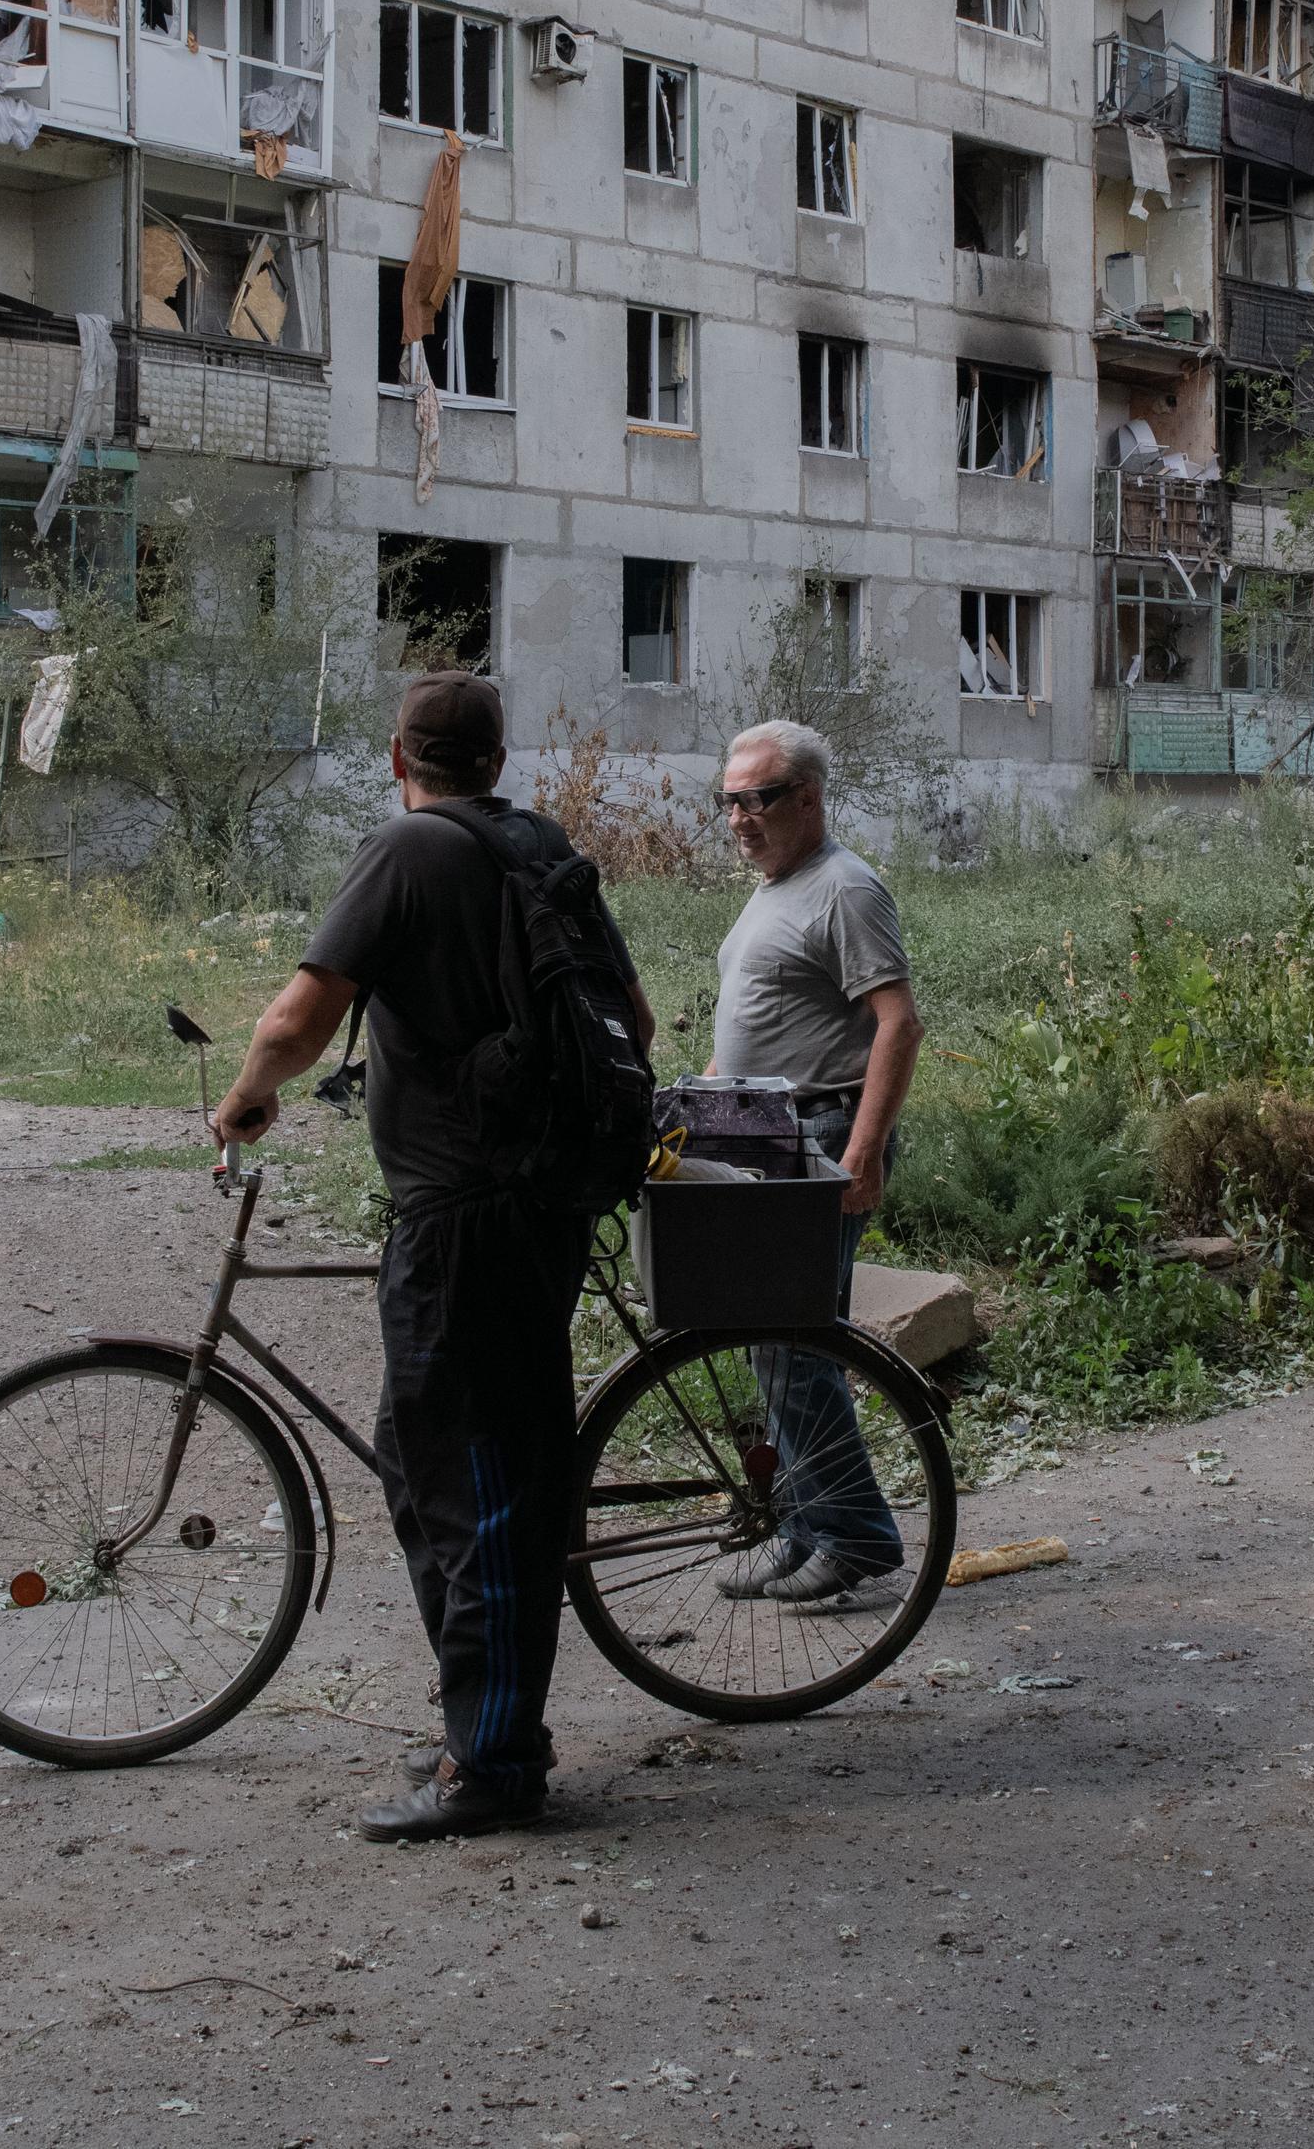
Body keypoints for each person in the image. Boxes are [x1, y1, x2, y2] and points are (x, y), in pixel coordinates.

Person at [206, 672, 653, 1843]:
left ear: (397, 757)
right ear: (497, 760)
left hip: (468, 1215)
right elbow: (637, 1021)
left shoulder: (408, 850)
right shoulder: (532, 844)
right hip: (529, 1203)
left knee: (484, 1483)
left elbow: (295, 1021)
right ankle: (478, 1723)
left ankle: (499, 1763)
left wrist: (246, 1099)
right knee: (422, 1457)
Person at [703, 722, 924, 1604]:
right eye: (728, 801)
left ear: (807, 799)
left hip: (822, 1136)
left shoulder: (845, 889)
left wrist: (862, 1153)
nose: (739, 819)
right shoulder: (777, 888)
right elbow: (762, 1026)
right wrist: (700, 1098)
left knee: (797, 1347)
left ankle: (854, 1534)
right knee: (775, 1341)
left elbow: (898, 1025)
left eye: (756, 799)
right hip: (768, 1137)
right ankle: (803, 1528)